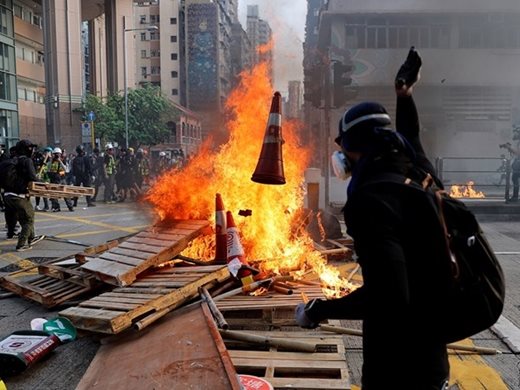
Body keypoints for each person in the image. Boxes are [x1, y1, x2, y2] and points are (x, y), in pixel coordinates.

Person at [295, 48, 450, 389]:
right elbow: (410, 136)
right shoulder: (418, 170)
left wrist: (318, 311)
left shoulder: (369, 202)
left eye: (344, 149)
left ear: (354, 148)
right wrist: (404, 95)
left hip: (395, 365)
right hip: (432, 354)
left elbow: (389, 297)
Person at [2, 139, 45, 251]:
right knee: (29, 219)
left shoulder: (12, 160)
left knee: (24, 217)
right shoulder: (27, 161)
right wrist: (43, 183)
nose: (32, 150)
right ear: (26, 149)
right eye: (30, 148)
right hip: (18, 195)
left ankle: (32, 237)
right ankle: (21, 244)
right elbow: (32, 177)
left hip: (7, 195)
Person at [48, 147, 74, 212]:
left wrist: (60, 161)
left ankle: (70, 206)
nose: (57, 155)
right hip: (54, 179)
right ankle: (56, 207)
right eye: (55, 154)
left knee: (65, 194)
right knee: (53, 195)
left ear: (60, 154)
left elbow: (66, 170)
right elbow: (48, 169)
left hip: (62, 179)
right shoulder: (52, 161)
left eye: (58, 154)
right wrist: (51, 160)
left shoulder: (63, 160)